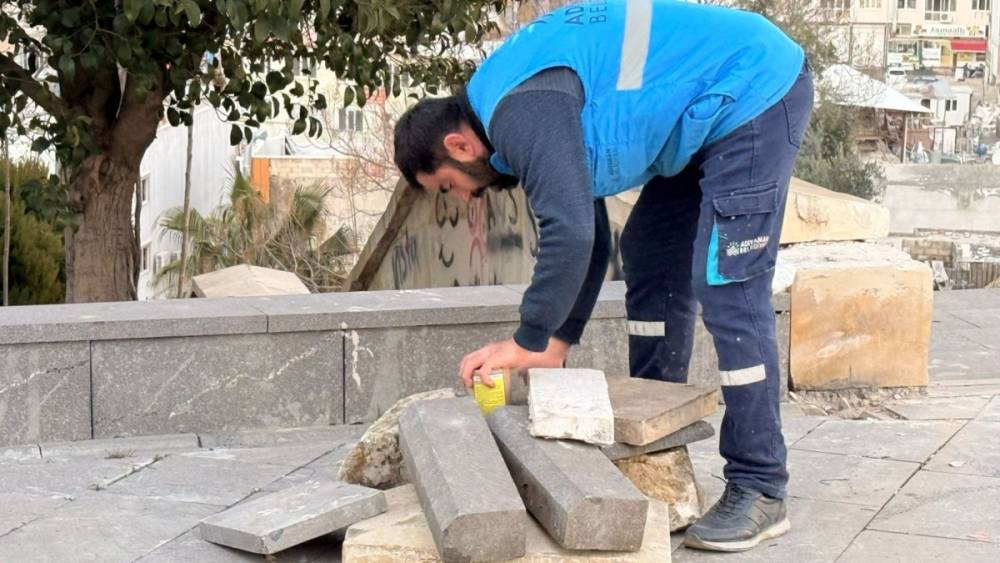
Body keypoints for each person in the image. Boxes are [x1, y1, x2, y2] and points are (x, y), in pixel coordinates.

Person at [392, 0, 813, 553]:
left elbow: (567, 233)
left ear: (458, 145)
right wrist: (553, 344)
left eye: (450, 185)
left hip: (751, 88)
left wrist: (526, 339)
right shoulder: (517, 104)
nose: (466, 198)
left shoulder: (519, 110)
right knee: (649, 253)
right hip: (699, 117)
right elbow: (587, 234)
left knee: (727, 281)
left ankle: (760, 485)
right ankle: (659, 451)